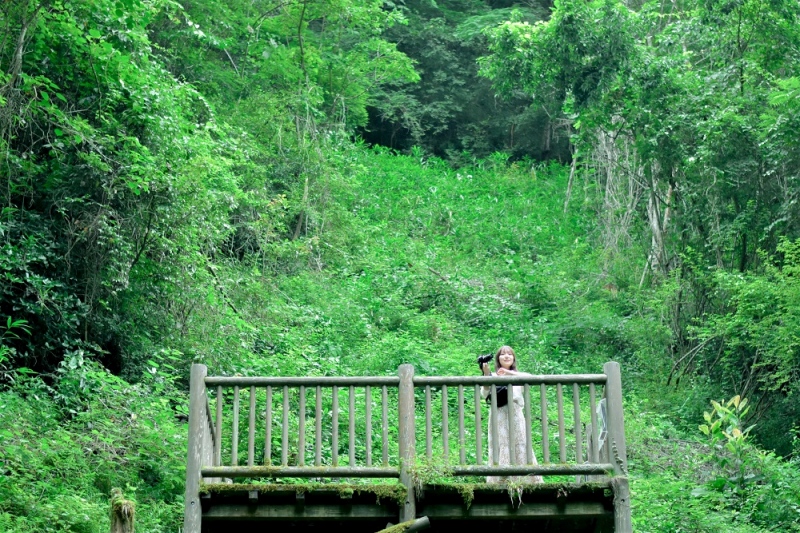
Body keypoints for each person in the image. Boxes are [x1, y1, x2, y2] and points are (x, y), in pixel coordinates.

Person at [480, 345, 543, 484]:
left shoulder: (518, 375)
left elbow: (531, 378)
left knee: (520, 441)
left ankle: (527, 479)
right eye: (503, 354)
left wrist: (508, 373)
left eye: (509, 354)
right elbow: (484, 393)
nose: (506, 356)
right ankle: (501, 478)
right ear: (498, 358)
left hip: (515, 411)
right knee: (501, 442)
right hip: (498, 413)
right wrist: (486, 374)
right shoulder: (493, 376)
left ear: (513, 358)